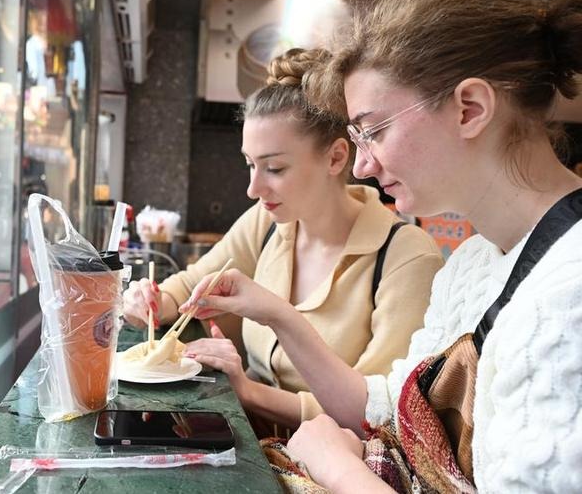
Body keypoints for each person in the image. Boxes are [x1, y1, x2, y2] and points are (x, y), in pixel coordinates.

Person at [180, 0, 582, 491]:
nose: (364, 165)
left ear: (469, 109)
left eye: (374, 132)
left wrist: (338, 467)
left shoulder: (566, 295)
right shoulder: (475, 261)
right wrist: (276, 312)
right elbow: (387, 406)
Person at [123, 49, 444, 436]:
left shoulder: (407, 258)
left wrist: (249, 391)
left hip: (331, 461)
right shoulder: (269, 223)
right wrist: (152, 302)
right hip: (254, 442)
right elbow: (192, 285)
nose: (253, 188)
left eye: (274, 168)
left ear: (335, 158)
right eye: (250, 164)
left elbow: (380, 415)